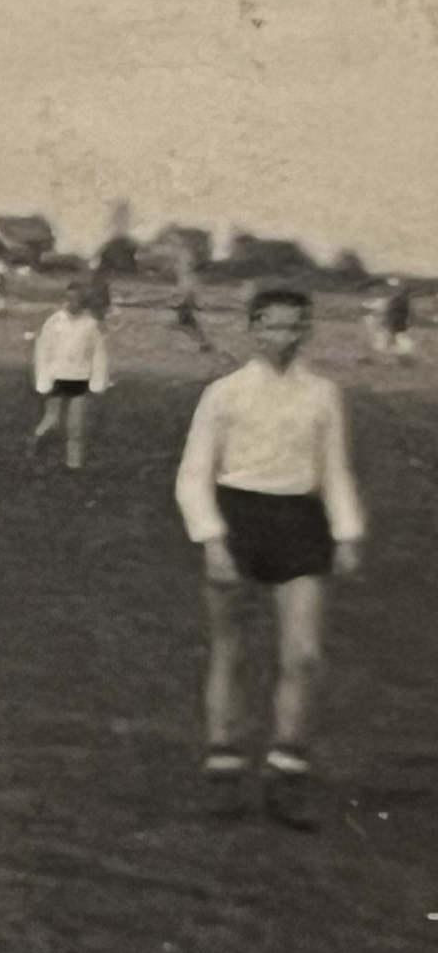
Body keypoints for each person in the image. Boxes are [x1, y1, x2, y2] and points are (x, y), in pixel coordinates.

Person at [174, 289, 364, 828]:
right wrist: (212, 540)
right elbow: (193, 474)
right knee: (231, 648)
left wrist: (347, 533)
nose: (283, 337)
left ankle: (286, 768)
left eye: (294, 327)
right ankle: (224, 765)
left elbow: (334, 469)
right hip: (239, 521)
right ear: (253, 329)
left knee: (302, 653)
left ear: (307, 330)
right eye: (272, 327)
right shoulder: (224, 393)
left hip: (302, 525)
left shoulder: (323, 393)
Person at [29, 281, 112, 469]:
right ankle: (37, 449)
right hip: (57, 376)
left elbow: (99, 354)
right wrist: (43, 378)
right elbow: (43, 350)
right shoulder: (55, 322)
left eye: (78, 299)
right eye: (70, 298)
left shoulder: (90, 325)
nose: (74, 303)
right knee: (53, 420)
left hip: (80, 378)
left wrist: (98, 381)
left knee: (76, 425)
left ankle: (73, 464)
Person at [366, 278, 414, 362]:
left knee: (390, 339)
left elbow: (395, 312)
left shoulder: (397, 300)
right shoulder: (396, 300)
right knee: (389, 339)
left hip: (395, 322)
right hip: (393, 322)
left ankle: (394, 358)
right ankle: (393, 358)